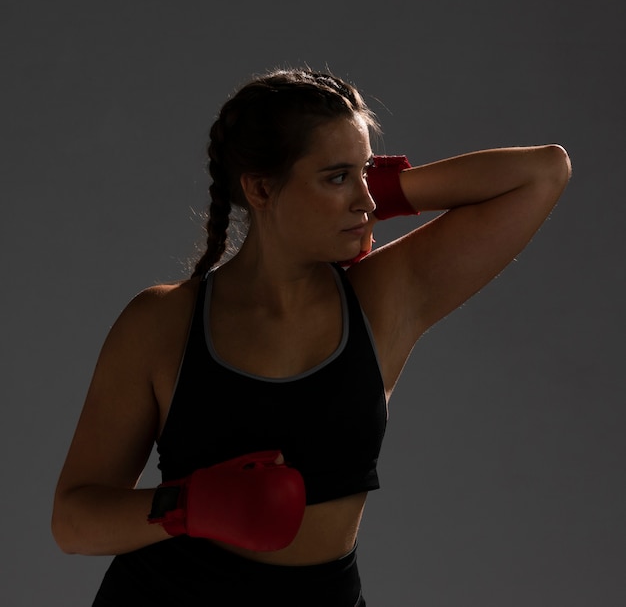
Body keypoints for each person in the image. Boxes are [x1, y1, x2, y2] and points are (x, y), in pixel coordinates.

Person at [51, 67, 571, 606]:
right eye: (337, 177)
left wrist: (383, 191)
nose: (365, 200)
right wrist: (188, 504)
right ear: (259, 187)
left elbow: (542, 173)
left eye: (367, 171)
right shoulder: (162, 322)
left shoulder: (384, 298)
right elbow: (73, 520)